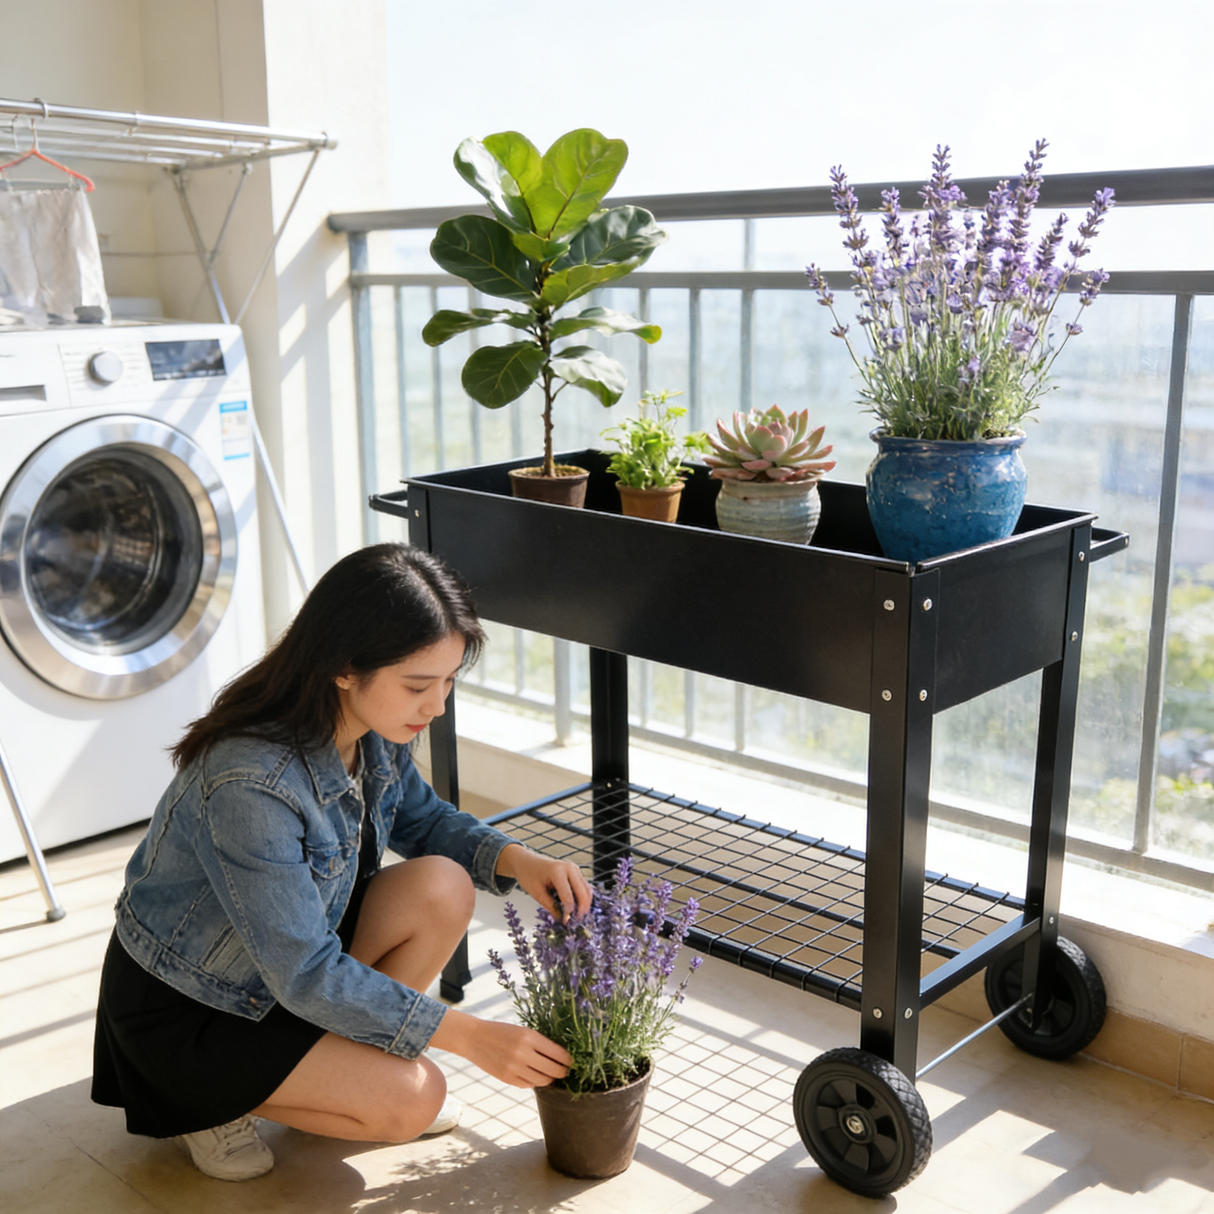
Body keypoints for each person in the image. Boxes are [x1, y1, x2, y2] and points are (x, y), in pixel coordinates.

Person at [91, 542, 592, 1181]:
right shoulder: (250, 782)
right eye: (418, 685)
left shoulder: (369, 729)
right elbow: (304, 972)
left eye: (448, 681)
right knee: (415, 1098)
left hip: (278, 975)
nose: (436, 706)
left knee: (442, 885)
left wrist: (520, 861)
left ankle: (329, 1078)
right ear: (344, 667)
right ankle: (207, 1105)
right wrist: (471, 1036)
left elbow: (423, 821)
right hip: (198, 1009)